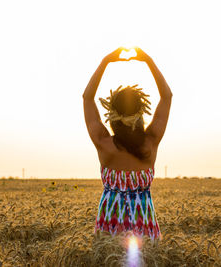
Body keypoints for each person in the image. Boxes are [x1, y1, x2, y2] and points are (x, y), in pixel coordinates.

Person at [82, 47, 172, 241]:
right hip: (144, 223)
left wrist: (105, 61)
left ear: (112, 114)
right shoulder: (151, 141)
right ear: (142, 113)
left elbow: (87, 98)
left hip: (109, 223)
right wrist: (148, 60)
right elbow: (167, 97)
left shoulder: (103, 142)